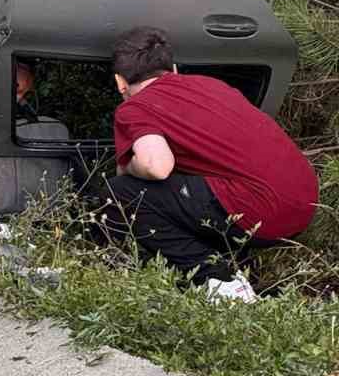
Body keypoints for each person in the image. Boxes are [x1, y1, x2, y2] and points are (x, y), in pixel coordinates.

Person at [96, 25, 318, 302]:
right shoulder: (214, 86)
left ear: (120, 82)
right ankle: (242, 272)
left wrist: (128, 166)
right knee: (191, 194)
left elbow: (156, 166)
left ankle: (219, 281)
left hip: (258, 210)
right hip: (304, 206)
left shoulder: (136, 107)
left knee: (120, 193)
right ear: (173, 69)